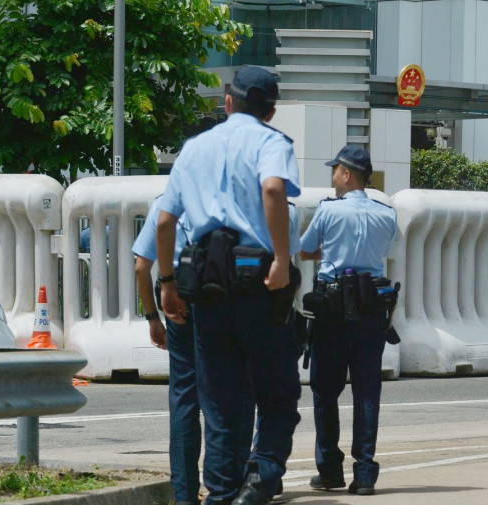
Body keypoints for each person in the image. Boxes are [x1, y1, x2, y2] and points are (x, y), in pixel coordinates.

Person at [155, 66, 302, 505]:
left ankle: (219, 494)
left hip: (206, 287)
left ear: (228, 101)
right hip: (257, 282)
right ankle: (260, 478)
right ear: (271, 111)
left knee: (218, 403)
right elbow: (273, 190)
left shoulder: (193, 148)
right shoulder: (271, 141)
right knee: (279, 393)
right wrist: (279, 258)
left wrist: (166, 284)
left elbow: (165, 221)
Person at [132, 196, 255, 505]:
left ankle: (185, 495)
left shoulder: (166, 202)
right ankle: (231, 487)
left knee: (185, 398)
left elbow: (140, 267)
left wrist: (152, 317)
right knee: (232, 396)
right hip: (226, 307)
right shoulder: (234, 200)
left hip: (180, 308)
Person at [299, 145, 398, 496]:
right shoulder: (387, 213)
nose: (332, 177)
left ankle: (329, 469)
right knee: (367, 392)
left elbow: (304, 248)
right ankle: (365, 473)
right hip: (372, 308)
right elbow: (386, 249)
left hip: (332, 308)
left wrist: (331, 251)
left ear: (346, 174)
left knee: (325, 391)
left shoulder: (329, 211)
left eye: (335, 171)